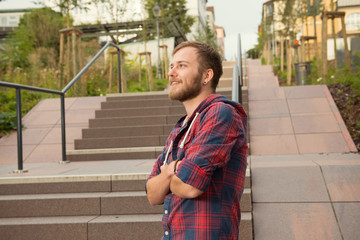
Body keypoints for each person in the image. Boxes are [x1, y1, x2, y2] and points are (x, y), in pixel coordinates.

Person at [145, 41, 248, 240]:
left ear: (206, 76)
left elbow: (189, 186)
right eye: (171, 66)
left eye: (182, 66)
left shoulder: (221, 113)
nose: (171, 73)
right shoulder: (181, 128)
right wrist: (173, 170)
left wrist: (167, 174)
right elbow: (152, 194)